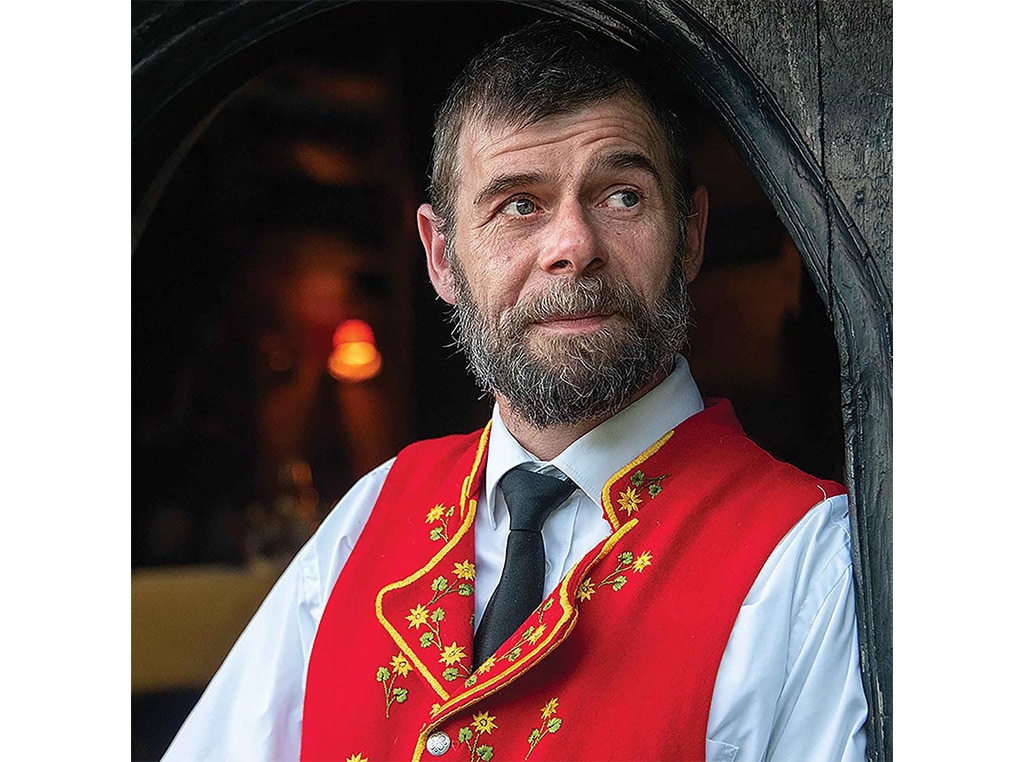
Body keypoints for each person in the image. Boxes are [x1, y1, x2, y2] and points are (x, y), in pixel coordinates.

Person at [162, 19, 867, 762]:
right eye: (518, 205)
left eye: (622, 197)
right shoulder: (367, 517)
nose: (572, 246)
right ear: (441, 256)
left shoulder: (806, 558)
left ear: (689, 234)